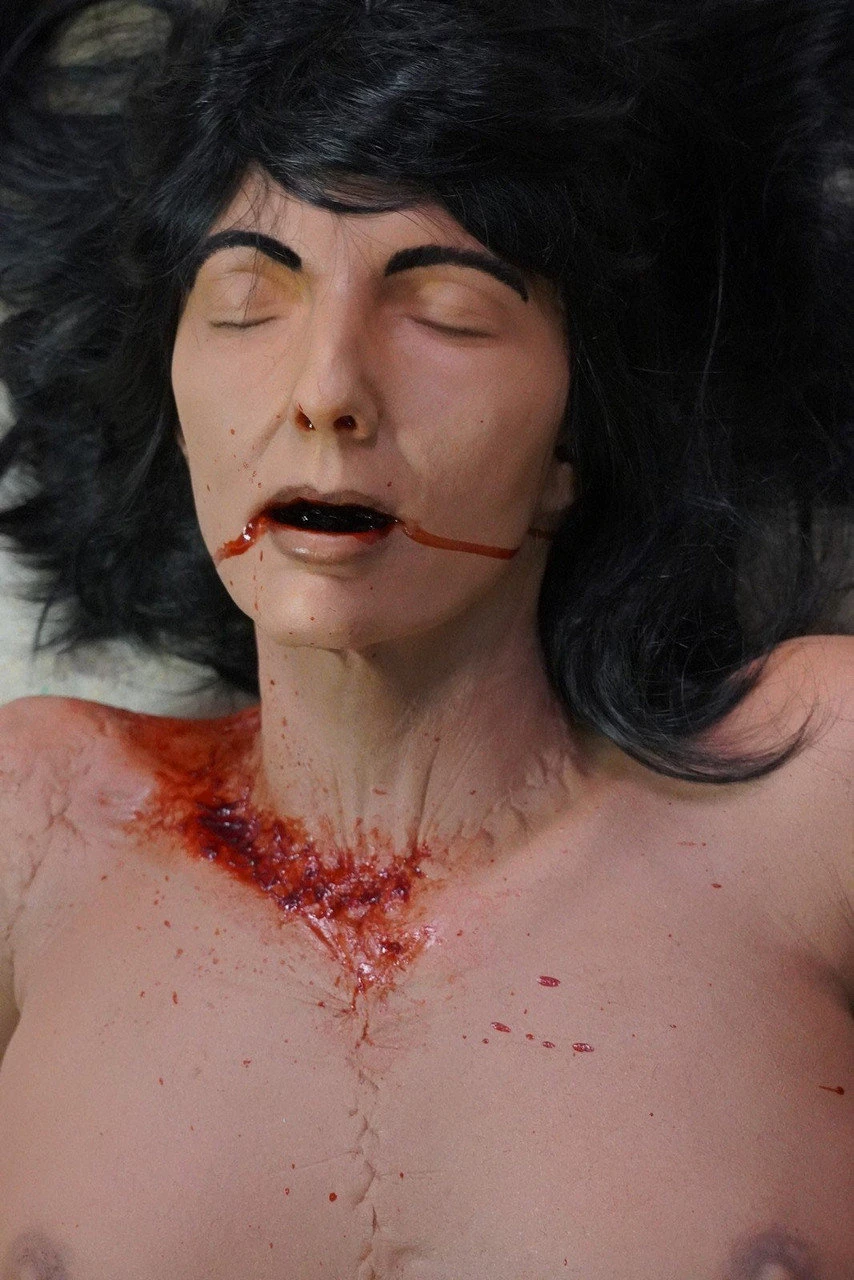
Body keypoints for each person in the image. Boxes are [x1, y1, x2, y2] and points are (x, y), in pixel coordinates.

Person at [0, 0, 851, 1276]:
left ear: (574, 436)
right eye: (245, 299)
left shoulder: (811, 793)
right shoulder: (36, 824)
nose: (326, 390)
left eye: (446, 309)